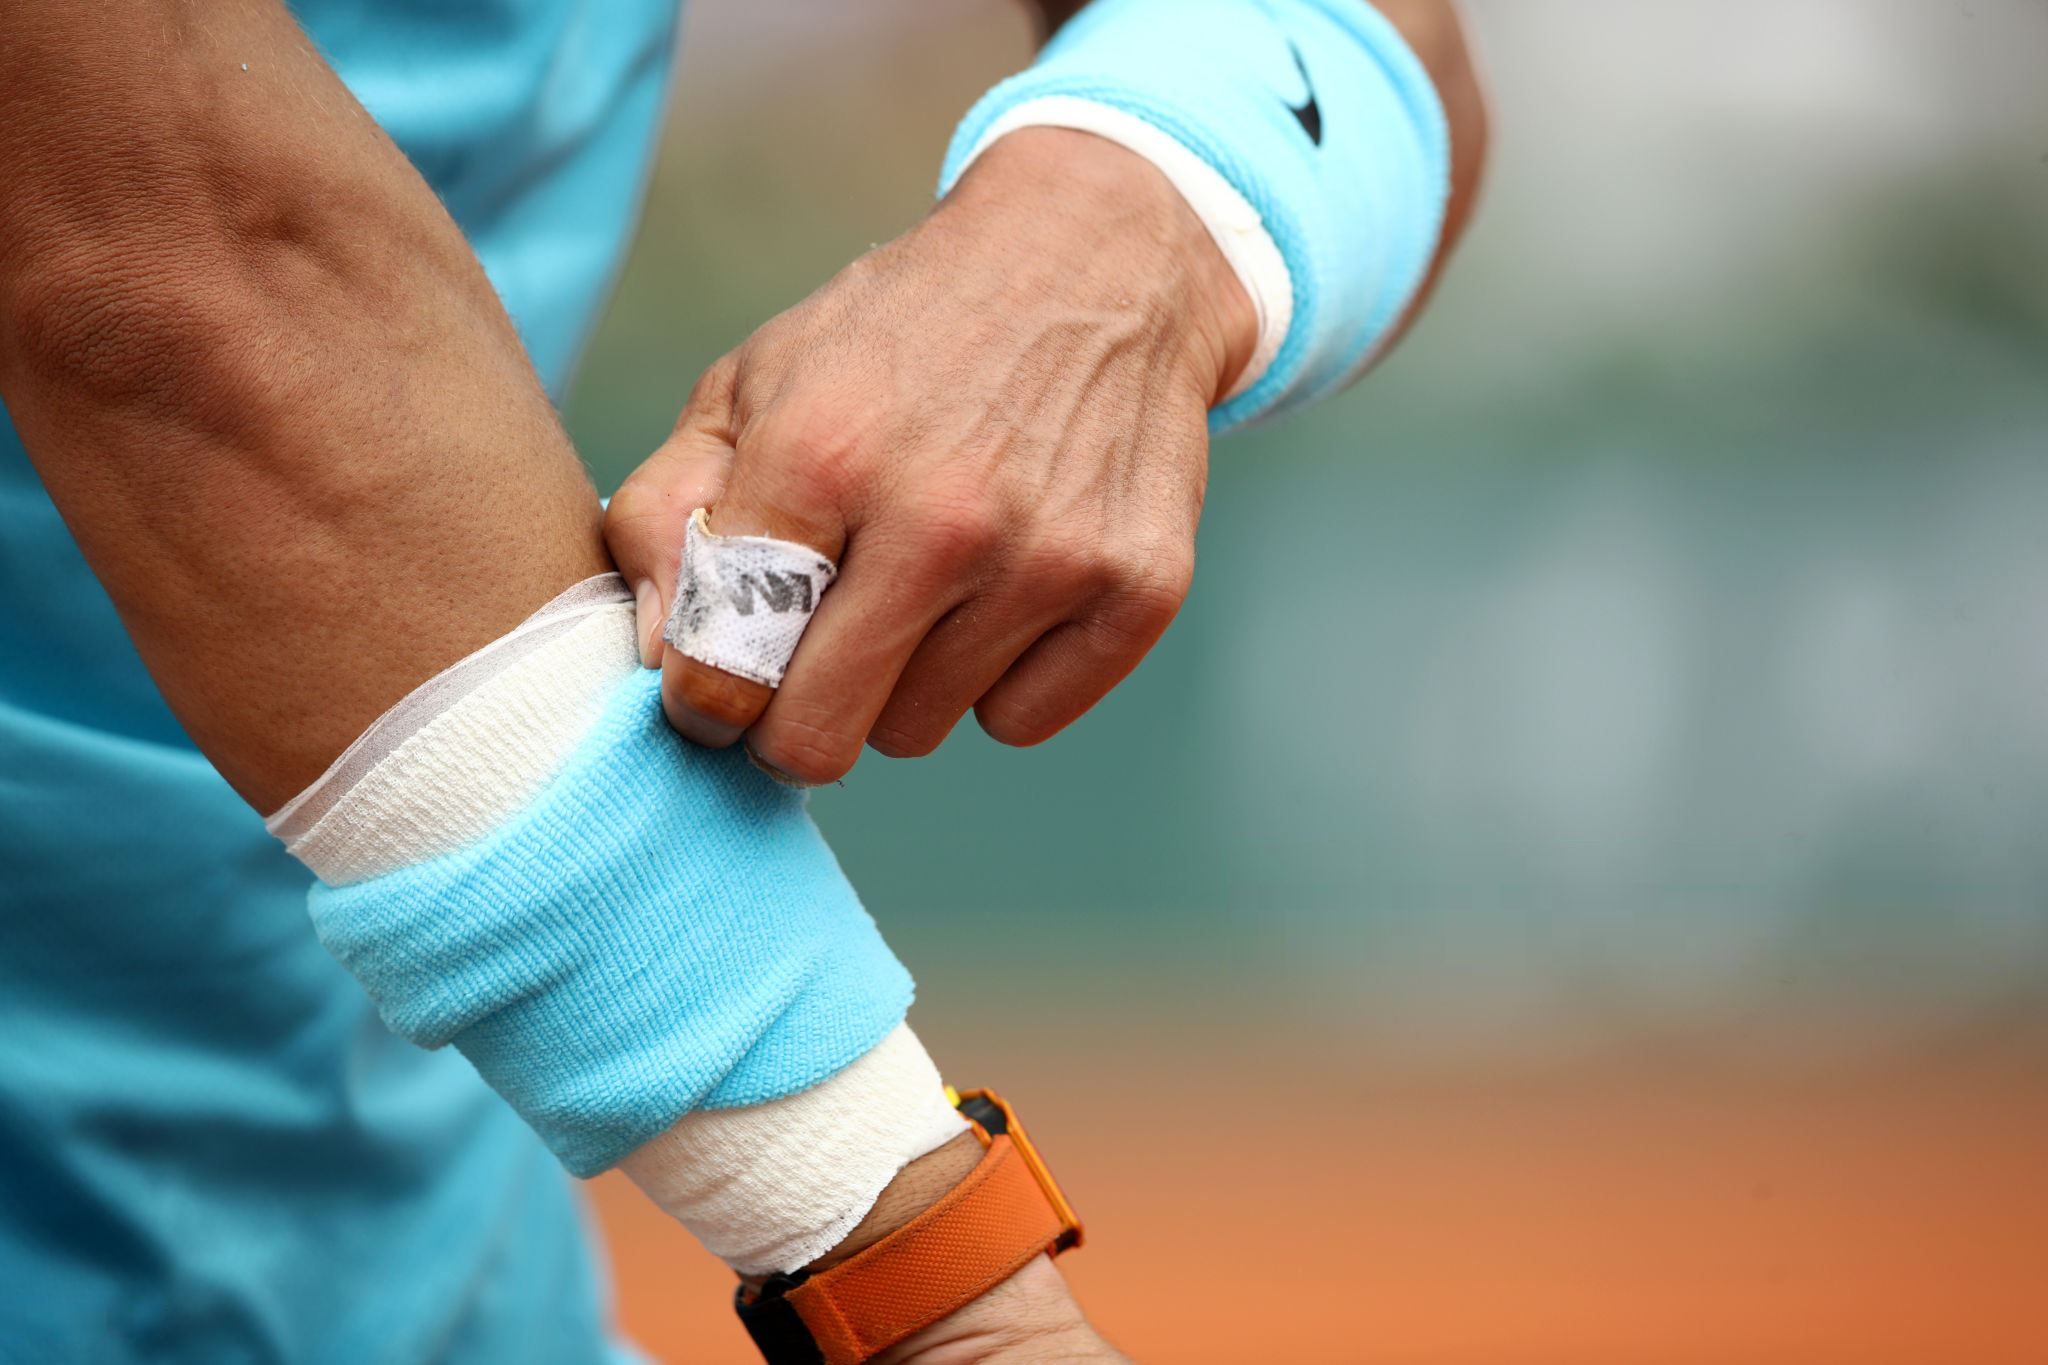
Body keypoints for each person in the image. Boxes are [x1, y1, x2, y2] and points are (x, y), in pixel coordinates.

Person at [0, 0, 1486, 1360]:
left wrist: (1124, 219)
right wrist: (951, 1312)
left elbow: (1392, 52)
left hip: (424, 1267)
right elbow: (158, 269)